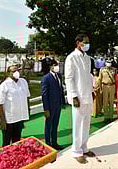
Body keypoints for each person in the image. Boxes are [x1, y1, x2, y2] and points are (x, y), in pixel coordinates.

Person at [64, 34, 96, 164]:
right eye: (85, 42)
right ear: (78, 43)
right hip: (78, 96)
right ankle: (76, 151)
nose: (87, 44)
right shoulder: (71, 58)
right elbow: (69, 78)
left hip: (88, 94)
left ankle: (84, 147)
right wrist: (73, 95)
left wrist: (92, 91)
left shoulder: (88, 58)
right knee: (78, 124)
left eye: (88, 42)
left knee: (86, 123)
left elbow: (88, 76)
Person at [0, 65, 31, 146]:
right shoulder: (4, 85)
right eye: (14, 71)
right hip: (9, 120)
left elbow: (27, 96)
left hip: (19, 118)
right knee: (6, 143)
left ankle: (15, 158)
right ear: (9, 73)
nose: (17, 72)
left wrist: (28, 109)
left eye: (18, 70)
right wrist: (2, 120)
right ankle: (4, 158)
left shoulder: (23, 82)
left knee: (17, 141)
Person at [41, 60, 65, 150]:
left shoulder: (59, 76)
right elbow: (44, 94)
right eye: (55, 65)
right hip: (50, 106)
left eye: (57, 65)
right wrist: (46, 109)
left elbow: (60, 88)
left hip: (58, 104)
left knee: (55, 124)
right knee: (48, 125)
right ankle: (48, 144)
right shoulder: (46, 78)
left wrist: (62, 101)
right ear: (50, 66)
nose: (57, 67)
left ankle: (54, 143)